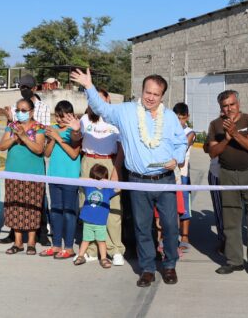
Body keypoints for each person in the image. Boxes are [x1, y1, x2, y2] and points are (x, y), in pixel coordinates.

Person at [71, 69, 187, 288]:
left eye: (156, 94)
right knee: (142, 227)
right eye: (147, 92)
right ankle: (147, 269)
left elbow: (181, 143)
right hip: (137, 181)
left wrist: (177, 158)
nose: (151, 97)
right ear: (141, 91)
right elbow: (100, 108)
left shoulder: (170, 117)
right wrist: (89, 86)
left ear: (162, 96)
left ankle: (170, 265)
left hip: (165, 180)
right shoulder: (126, 112)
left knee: (170, 226)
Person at [207, 90, 248, 277]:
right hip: (227, 175)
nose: (229, 108)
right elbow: (213, 152)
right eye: (225, 106)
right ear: (221, 108)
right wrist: (226, 138)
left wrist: (234, 133)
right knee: (230, 220)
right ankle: (234, 261)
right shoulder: (215, 125)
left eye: (232, 104)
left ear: (238, 104)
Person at [1, 73, 51, 246]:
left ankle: (40, 233)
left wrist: (24, 135)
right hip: (15, 165)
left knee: (36, 201)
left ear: (34, 88)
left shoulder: (43, 108)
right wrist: (12, 123)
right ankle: (15, 236)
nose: (24, 90)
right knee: (15, 202)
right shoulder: (16, 111)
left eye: (27, 88)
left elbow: (41, 140)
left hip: (33, 164)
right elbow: (5, 140)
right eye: (21, 87)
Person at [77, 88, 126, 266]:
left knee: (112, 207)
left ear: (107, 100)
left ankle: (115, 249)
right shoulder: (84, 119)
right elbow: (76, 138)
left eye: (100, 98)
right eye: (93, 99)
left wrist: (115, 170)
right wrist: (75, 131)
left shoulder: (116, 120)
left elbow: (122, 147)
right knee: (89, 203)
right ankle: (90, 249)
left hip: (109, 162)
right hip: (89, 161)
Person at [0, 98, 46, 255]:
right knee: (15, 206)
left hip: (33, 174)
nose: (20, 113)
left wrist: (24, 137)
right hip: (13, 173)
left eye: (24, 110)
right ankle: (17, 242)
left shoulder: (39, 128)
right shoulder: (11, 127)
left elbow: (39, 149)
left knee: (32, 207)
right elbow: (1, 146)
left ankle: (31, 242)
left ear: (31, 112)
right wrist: (14, 138)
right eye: (18, 110)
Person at [40, 100, 82, 260]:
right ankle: (56, 244)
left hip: (70, 176)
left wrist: (57, 138)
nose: (58, 120)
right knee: (55, 210)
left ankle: (69, 247)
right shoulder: (54, 129)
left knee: (69, 212)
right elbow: (47, 153)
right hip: (54, 175)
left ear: (70, 115)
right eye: (56, 116)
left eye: (62, 116)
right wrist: (51, 138)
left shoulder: (75, 131)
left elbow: (73, 154)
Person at [73, 164, 119, 269]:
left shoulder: (107, 190)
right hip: (88, 221)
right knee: (85, 240)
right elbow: (79, 179)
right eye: (97, 179)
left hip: (100, 222)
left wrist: (107, 182)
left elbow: (118, 188)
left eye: (102, 179)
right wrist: (93, 181)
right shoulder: (89, 186)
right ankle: (80, 256)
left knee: (101, 241)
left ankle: (103, 258)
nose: (99, 182)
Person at [173, 102, 196, 253]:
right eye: (177, 118)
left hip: (182, 174)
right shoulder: (168, 129)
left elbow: (181, 152)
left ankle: (185, 236)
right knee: (170, 206)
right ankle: (170, 236)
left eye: (182, 118)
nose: (180, 121)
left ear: (187, 117)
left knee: (184, 207)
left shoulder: (190, 133)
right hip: (170, 173)